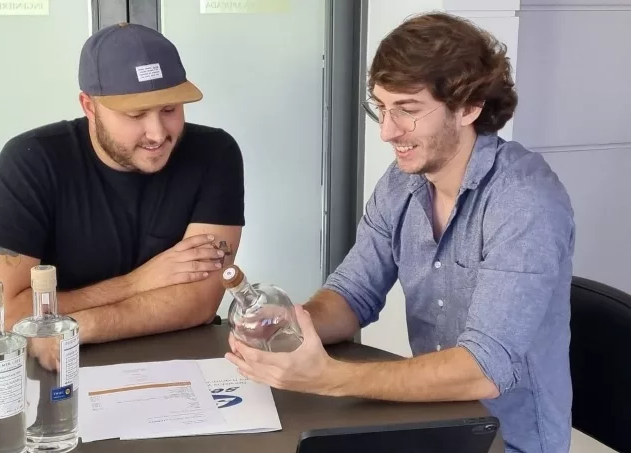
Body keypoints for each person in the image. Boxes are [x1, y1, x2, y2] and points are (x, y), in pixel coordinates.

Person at [225, 12, 574, 453]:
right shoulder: (402, 183)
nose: (388, 132)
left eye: (407, 110)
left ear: (469, 107)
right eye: (381, 107)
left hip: (509, 442)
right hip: (434, 424)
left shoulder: (524, 201)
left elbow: (482, 371)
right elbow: (352, 294)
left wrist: (329, 378)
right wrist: (290, 328)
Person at [0, 22, 245, 346]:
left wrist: (79, 327)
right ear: (90, 106)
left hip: (171, 358)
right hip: (60, 364)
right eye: (136, 115)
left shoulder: (214, 154)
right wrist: (136, 283)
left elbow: (198, 302)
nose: (158, 133)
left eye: (170, 109)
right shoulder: (32, 160)